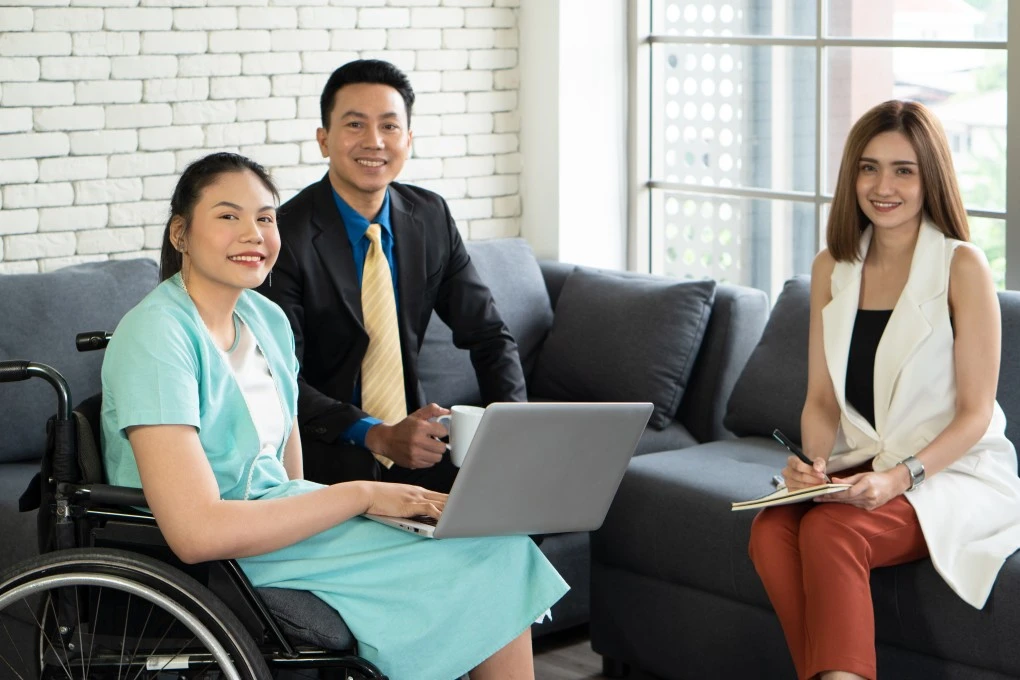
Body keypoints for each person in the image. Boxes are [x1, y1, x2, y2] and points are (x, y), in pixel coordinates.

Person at [100, 152, 568, 680]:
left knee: (492, 540)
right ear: (181, 234)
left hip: (279, 529)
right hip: (214, 555)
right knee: (489, 559)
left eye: (265, 217)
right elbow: (195, 533)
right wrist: (360, 497)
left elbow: (289, 475)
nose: (253, 233)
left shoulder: (265, 318)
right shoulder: (157, 336)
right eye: (228, 216)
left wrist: (354, 513)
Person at [748, 99, 1020, 680]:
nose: (883, 185)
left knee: (831, 529)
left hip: (952, 473)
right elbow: (822, 399)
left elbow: (974, 416)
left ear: (931, 177)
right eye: (869, 168)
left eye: (904, 169)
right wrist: (812, 465)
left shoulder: (962, 266)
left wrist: (900, 479)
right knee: (772, 530)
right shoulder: (833, 266)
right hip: (867, 461)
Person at [258, 59, 526, 492]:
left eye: (389, 126)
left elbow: (490, 336)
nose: (374, 142)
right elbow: (278, 378)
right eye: (355, 125)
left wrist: (514, 432)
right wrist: (376, 433)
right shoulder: (280, 234)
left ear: (408, 139)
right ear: (324, 140)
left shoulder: (431, 216)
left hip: (418, 448)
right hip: (319, 455)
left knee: (523, 509)